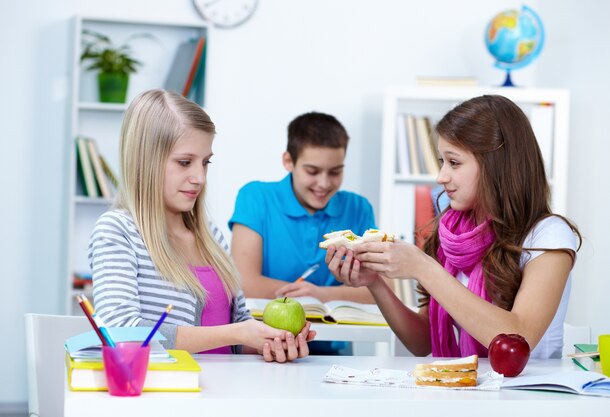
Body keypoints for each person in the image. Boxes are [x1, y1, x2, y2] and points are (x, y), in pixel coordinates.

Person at [326, 95, 581, 359]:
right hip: (465, 390)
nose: (441, 177)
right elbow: (423, 342)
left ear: (497, 164)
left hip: (527, 396)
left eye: (454, 162)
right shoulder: (451, 234)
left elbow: (518, 340)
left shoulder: (549, 235)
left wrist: (423, 268)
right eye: (441, 162)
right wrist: (375, 283)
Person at [88, 89, 314, 362]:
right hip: (169, 399)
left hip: (223, 394)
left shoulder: (209, 235)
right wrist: (237, 333)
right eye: (185, 162)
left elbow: (238, 329)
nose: (199, 177)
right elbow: (121, 333)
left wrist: (272, 342)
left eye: (205, 163)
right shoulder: (117, 231)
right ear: (145, 161)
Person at [229, 111, 376, 304]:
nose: (323, 183)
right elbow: (243, 283)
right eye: (312, 171)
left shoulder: (358, 207)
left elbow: (380, 289)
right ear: (288, 161)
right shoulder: (255, 197)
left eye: (335, 172)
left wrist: (320, 295)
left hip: (339, 333)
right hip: (270, 332)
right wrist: (310, 296)